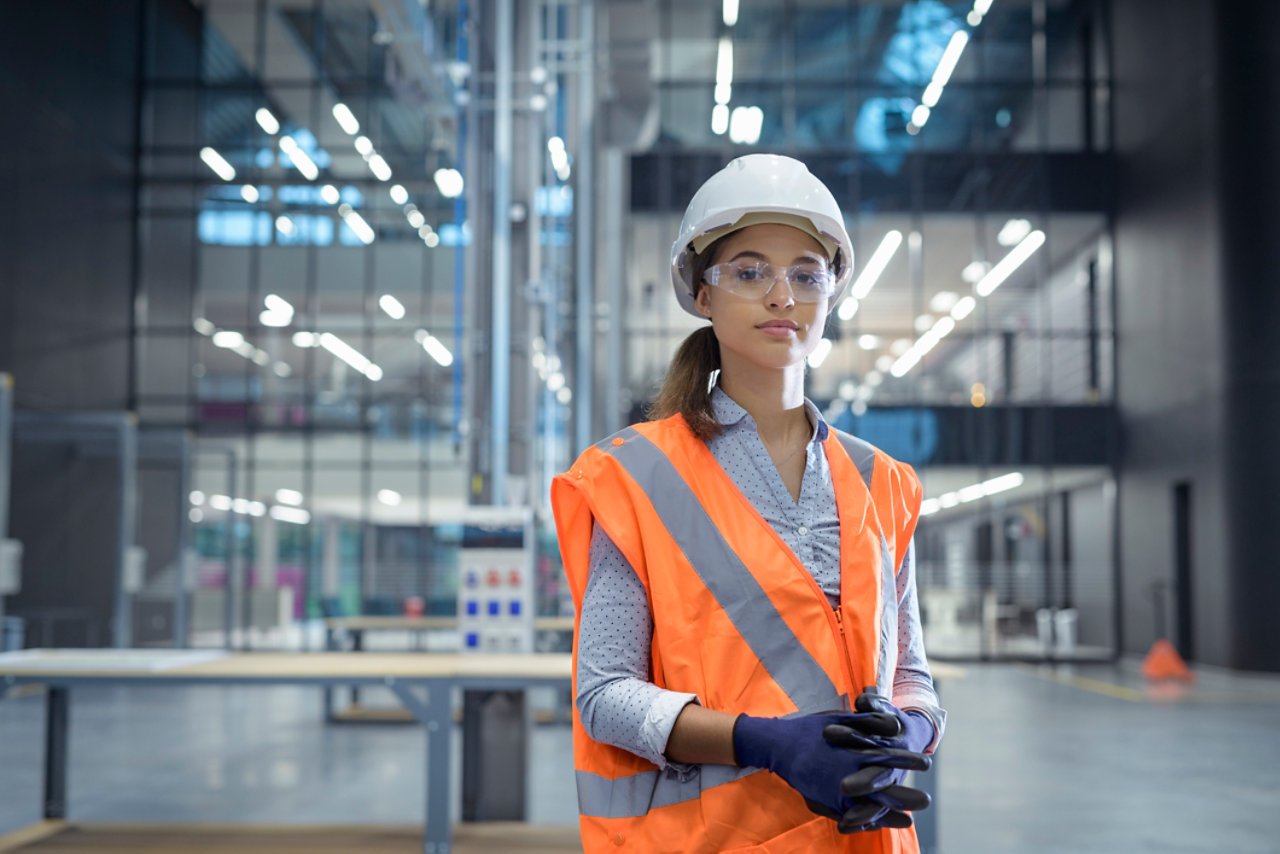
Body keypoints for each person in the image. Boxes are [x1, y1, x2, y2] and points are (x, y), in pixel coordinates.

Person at [551, 153, 946, 853]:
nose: (782, 296)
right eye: (750, 271)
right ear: (703, 293)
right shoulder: (633, 475)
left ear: (831, 292)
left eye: (806, 273)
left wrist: (910, 728)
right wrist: (764, 742)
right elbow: (604, 695)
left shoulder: (884, 481)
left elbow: (910, 671)